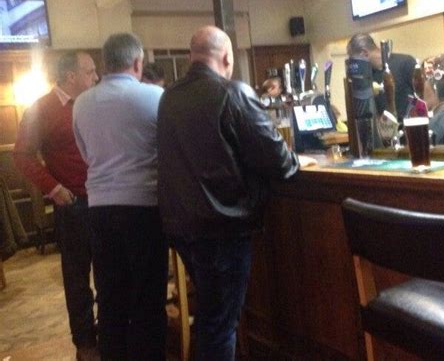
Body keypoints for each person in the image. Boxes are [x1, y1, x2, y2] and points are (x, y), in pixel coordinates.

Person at [156, 25, 304, 361]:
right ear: (226, 57)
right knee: (219, 324)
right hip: (221, 227)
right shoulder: (232, 93)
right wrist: (297, 160)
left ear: (191, 56)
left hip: (181, 226)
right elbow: (280, 161)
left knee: (211, 317)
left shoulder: (169, 97)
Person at [72, 33, 168, 361]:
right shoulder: (154, 96)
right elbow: (167, 150)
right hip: (143, 206)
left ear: (105, 63)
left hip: (99, 206)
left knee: (110, 299)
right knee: (147, 299)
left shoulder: (82, 103)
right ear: (137, 62)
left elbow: (85, 154)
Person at [14, 51, 99, 361]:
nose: (96, 77)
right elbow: (21, 155)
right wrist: (53, 188)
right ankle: (85, 345)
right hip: (73, 203)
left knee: (110, 274)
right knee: (77, 280)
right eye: (90, 72)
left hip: (104, 200)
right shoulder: (41, 109)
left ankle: (108, 335)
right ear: (70, 76)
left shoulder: (93, 103)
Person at [347, 33, 416, 119]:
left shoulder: (406, 62)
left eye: (356, 61)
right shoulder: (367, 75)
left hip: (409, 124)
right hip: (383, 126)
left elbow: (422, 97)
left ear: (364, 53)